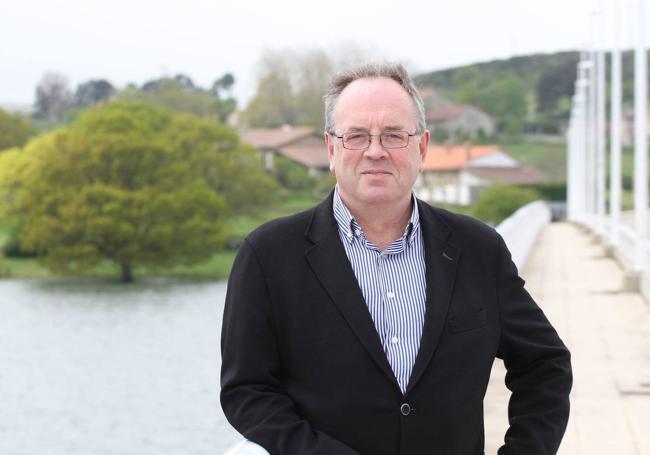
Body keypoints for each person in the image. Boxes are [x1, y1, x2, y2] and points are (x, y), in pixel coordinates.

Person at [220, 62, 572, 455]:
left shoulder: (478, 249)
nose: (375, 151)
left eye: (393, 135)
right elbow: (247, 391)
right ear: (331, 149)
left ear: (421, 147)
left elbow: (545, 365)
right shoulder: (268, 255)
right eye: (356, 136)